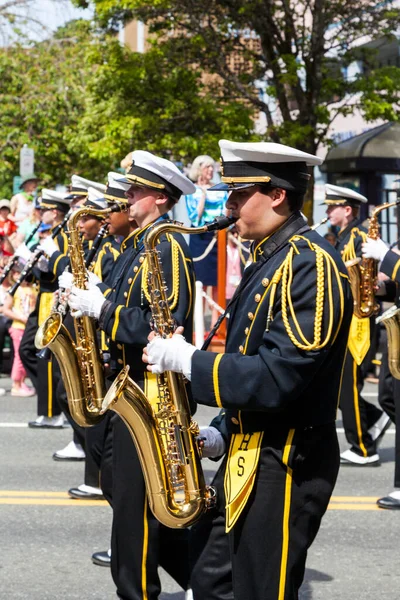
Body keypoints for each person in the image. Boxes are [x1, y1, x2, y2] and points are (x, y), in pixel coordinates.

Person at [143, 139, 353, 600]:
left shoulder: (311, 265)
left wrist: (187, 360)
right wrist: (220, 429)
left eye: (238, 195)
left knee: (261, 590)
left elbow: (279, 377)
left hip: (286, 460)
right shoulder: (271, 257)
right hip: (248, 451)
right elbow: (247, 353)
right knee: (212, 579)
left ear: (277, 194)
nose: (229, 205)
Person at [65, 151, 196, 599]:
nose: (128, 196)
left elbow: (162, 327)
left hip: (150, 389)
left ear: (159, 198)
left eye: (136, 190)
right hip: (125, 383)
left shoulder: (167, 249)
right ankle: (207, 577)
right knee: (119, 488)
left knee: (134, 506)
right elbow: (122, 305)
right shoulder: (137, 245)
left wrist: (101, 309)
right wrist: (87, 295)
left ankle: (139, 591)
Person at [324, 183, 391, 466]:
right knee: (339, 385)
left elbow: (382, 274)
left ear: (347, 210)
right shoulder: (340, 236)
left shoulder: (359, 235)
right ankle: (372, 418)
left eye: (332, 207)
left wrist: (374, 285)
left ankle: (363, 448)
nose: (327, 211)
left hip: (360, 319)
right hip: (347, 316)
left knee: (347, 384)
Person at [18, 189, 71, 428]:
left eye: (44, 210)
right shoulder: (51, 234)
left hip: (53, 299)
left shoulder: (62, 237)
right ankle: (51, 403)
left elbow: (57, 270)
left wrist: (31, 260)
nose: (40, 213)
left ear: (55, 212)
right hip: (43, 297)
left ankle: (54, 410)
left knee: (46, 356)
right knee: (28, 349)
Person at [186, 155, 227, 326]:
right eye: (207, 167)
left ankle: (216, 325)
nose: (211, 170)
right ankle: (199, 323)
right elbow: (195, 217)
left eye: (212, 167)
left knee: (218, 281)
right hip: (200, 236)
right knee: (200, 283)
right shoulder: (192, 190)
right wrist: (203, 196)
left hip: (218, 236)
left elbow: (225, 212)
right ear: (199, 169)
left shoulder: (220, 189)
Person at [2, 265, 37, 396]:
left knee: (25, 355)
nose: (19, 275)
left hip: (30, 327)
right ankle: (16, 384)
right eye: (16, 273)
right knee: (19, 356)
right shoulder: (14, 290)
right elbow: (5, 309)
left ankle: (21, 382)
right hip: (18, 327)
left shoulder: (33, 288)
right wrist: (20, 317)